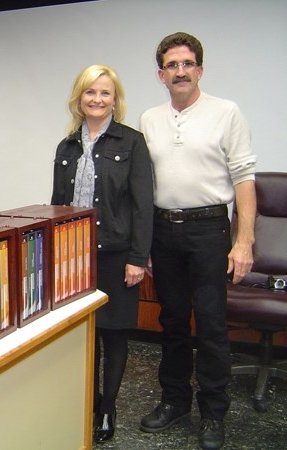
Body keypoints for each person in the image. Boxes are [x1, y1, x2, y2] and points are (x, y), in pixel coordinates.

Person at [139, 32, 257, 450]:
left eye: (187, 63)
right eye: (172, 65)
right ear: (161, 74)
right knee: (171, 322)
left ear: (200, 70)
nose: (180, 71)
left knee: (209, 325)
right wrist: (145, 243)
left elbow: (244, 179)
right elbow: (143, 184)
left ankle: (213, 413)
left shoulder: (226, 112)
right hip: (163, 231)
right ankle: (174, 402)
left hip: (209, 229)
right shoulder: (150, 119)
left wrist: (243, 243)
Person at [51, 64, 153, 443]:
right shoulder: (67, 146)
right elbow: (57, 206)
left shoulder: (132, 142)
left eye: (105, 93)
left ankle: (107, 408)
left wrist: (138, 258)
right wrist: (54, 256)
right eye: (90, 92)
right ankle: (87, 402)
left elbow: (144, 206)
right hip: (74, 257)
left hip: (116, 254)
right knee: (84, 335)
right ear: (79, 98)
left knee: (114, 334)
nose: (97, 99)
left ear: (115, 100)